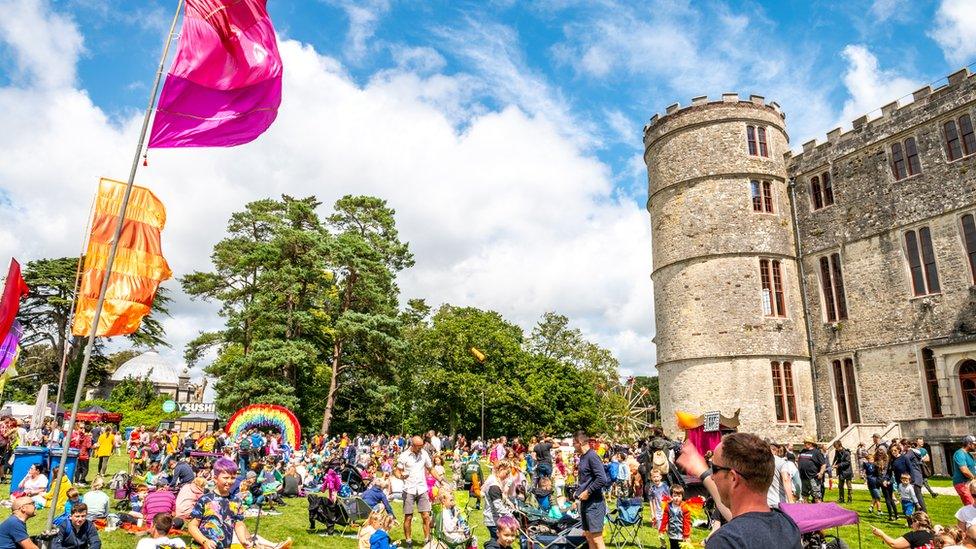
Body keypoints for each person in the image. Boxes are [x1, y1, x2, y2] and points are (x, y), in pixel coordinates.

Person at [676, 432, 801, 548]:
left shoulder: (725, 541)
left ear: (733, 478)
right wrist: (703, 474)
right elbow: (747, 524)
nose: (713, 477)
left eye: (714, 469)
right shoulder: (788, 527)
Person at [394, 435, 442, 547]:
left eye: (422, 446)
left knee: (426, 515)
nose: (421, 448)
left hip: (422, 489)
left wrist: (440, 479)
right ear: (413, 445)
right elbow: (397, 471)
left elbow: (431, 468)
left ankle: (427, 540)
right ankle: (409, 541)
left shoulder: (424, 454)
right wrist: (401, 477)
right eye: (419, 447)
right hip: (409, 489)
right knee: (408, 517)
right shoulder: (404, 455)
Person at [573, 431, 608, 549]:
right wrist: (578, 492)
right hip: (585, 503)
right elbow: (586, 480)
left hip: (595, 503)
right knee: (588, 536)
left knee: (597, 538)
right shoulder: (583, 457)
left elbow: (602, 479)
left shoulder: (592, 456)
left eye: (574, 443)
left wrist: (588, 492)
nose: (573, 446)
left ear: (580, 443)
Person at [482, 461, 514, 540]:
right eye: (506, 474)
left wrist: (508, 502)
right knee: (499, 542)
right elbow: (498, 507)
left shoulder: (493, 479)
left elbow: (500, 496)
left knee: (495, 541)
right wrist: (511, 516)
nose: (506, 477)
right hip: (493, 520)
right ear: (501, 469)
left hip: (492, 519)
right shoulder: (494, 486)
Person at [659, 485, 691, 549]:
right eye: (675, 496)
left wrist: (686, 535)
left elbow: (687, 523)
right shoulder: (668, 506)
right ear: (671, 496)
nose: (677, 498)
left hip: (681, 535)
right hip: (672, 534)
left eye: (679, 496)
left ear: (682, 497)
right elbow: (664, 520)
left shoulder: (685, 507)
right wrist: (661, 530)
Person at [797, 437, 826, 503]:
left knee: (816, 496)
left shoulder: (816, 452)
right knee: (804, 496)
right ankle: (806, 511)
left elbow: (823, 464)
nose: (804, 444)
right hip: (803, 477)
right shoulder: (803, 451)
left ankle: (820, 511)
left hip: (813, 477)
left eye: (805, 443)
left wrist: (821, 473)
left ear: (810, 444)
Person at [952, 435, 976, 506]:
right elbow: (964, 470)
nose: (975, 446)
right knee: (971, 506)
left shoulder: (969, 454)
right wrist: (974, 478)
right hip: (962, 483)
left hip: (970, 483)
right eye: (974, 444)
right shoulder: (959, 453)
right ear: (969, 444)